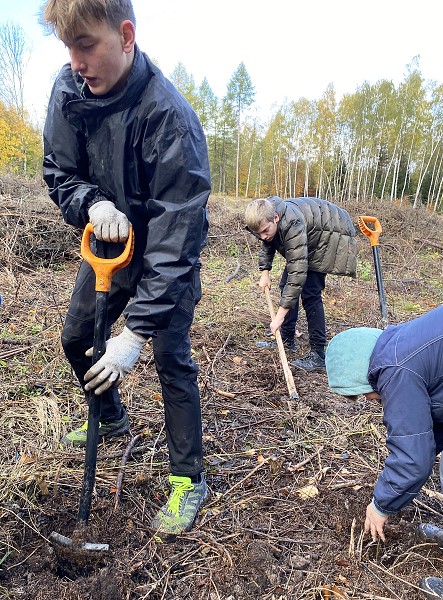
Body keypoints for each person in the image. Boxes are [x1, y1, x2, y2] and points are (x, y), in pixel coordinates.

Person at [40, 0, 210, 537]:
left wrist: (135, 332)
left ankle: (189, 479)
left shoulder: (168, 117)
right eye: (68, 49)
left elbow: (177, 234)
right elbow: (59, 171)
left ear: (126, 35)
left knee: (170, 359)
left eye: (86, 45)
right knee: (75, 338)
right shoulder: (68, 91)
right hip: (109, 246)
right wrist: (92, 203)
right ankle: (110, 415)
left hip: (165, 256)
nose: (75, 62)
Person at [325, 303, 443, 600]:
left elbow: (413, 460)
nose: (368, 399)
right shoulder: (400, 345)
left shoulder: (395, 369)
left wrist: (381, 505)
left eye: (362, 394)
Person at [244, 196, 357, 372]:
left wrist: (279, 316)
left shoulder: (292, 223)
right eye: (258, 233)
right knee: (285, 287)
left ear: (276, 217)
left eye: (265, 230)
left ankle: (318, 354)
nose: (263, 236)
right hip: (311, 232)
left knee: (310, 293)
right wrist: (265, 272)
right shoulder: (266, 216)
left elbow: (297, 274)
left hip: (328, 235)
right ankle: (287, 339)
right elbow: (268, 241)